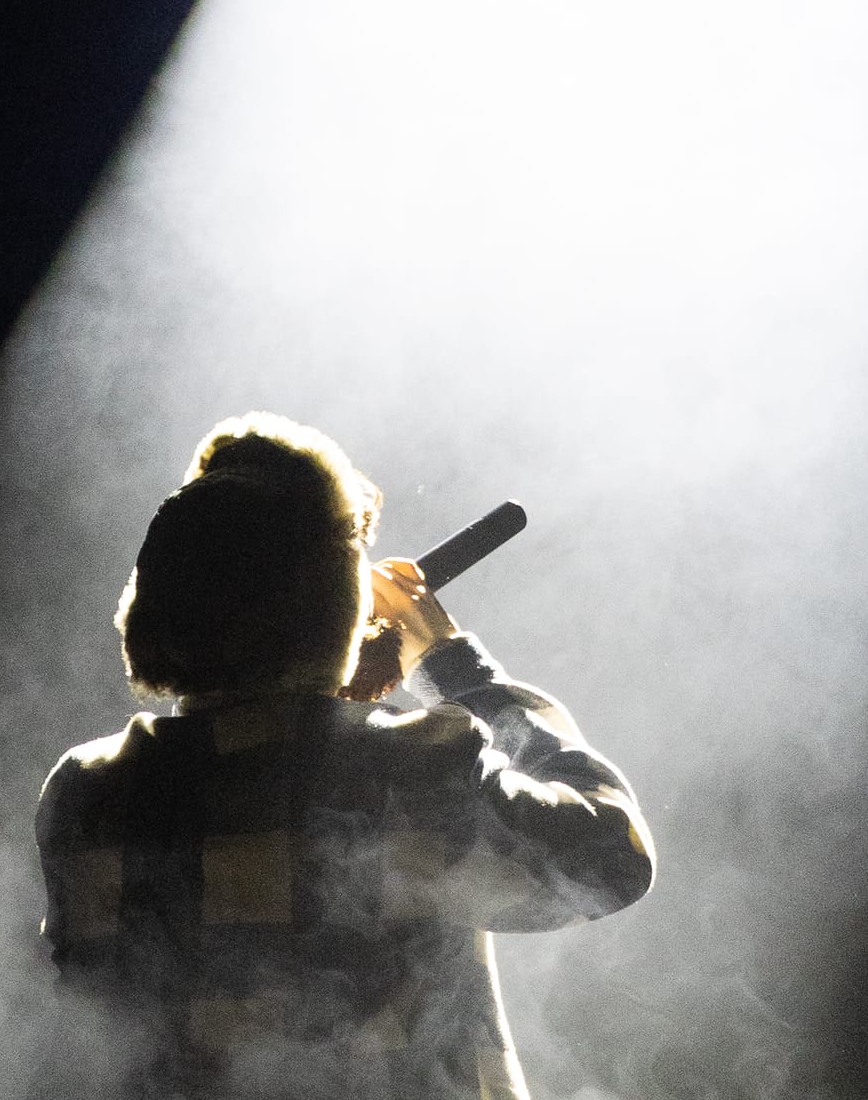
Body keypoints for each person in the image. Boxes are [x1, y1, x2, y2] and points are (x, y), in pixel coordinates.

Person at [33, 412, 653, 1095]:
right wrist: (452, 665)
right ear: (331, 603)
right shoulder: (407, 777)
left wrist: (324, 705)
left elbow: (253, 788)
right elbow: (610, 857)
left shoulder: (87, 796)